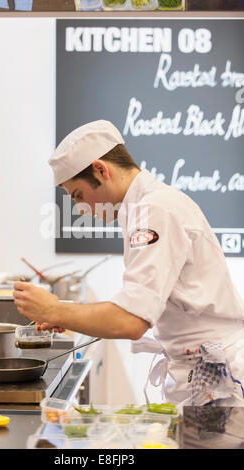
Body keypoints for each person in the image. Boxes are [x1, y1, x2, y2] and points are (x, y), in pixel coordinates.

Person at [13, 120, 244, 408]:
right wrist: (63, 314)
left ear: (101, 169)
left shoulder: (155, 210)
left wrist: (55, 309)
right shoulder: (144, 207)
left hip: (217, 378)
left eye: (79, 196)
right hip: (204, 369)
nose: (80, 209)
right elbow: (137, 301)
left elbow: (131, 321)